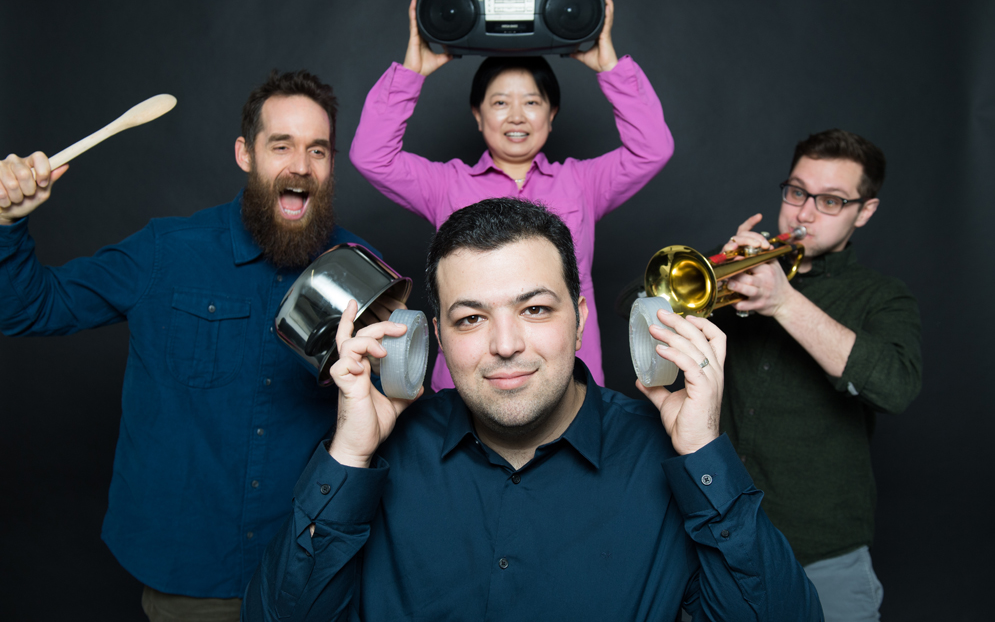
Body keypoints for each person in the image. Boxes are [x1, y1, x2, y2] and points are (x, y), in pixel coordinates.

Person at [242, 198, 822, 621]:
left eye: (536, 310)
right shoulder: (380, 456)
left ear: (581, 319)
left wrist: (703, 453)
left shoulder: (667, 456)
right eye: (471, 318)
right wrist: (349, 456)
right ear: (433, 337)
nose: (505, 344)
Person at [0, 70, 393, 621]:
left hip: (314, 579)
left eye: (318, 150)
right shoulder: (166, 252)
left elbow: (394, 409)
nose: (301, 166)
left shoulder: (364, 268)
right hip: (192, 580)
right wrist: (4, 224)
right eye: (281, 145)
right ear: (245, 154)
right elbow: (27, 308)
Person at [349, 0, 674, 392]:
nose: (516, 116)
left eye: (532, 102)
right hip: (467, 381)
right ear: (478, 114)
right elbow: (371, 155)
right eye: (500, 102)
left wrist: (609, 67)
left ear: (551, 116)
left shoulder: (582, 182)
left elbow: (653, 148)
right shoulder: (447, 184)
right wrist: (411, 73)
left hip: (568, 378)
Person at [713, 130, 922, 621]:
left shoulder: (882, 297)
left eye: (830, 201)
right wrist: (718, 267)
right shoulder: (741, 273)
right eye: (797, 192)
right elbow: (634, 307)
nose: (804, 214)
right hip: (722, 546)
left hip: (823, 556)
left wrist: (784, 300)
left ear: (864, 212)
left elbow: (895, 385)